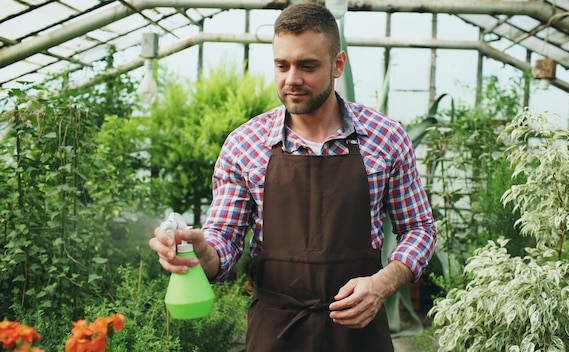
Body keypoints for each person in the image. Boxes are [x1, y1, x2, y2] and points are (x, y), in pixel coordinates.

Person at [149, 3, 436, 351]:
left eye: (308, 66)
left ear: (337, 64)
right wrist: (199, 252)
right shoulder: (245, 144)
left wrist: (383, 283)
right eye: (282, 65)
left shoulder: (386, 138)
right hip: (276, 334)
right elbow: (223, 240)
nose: (292, 79)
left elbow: (418, 228)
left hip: (359, 334)